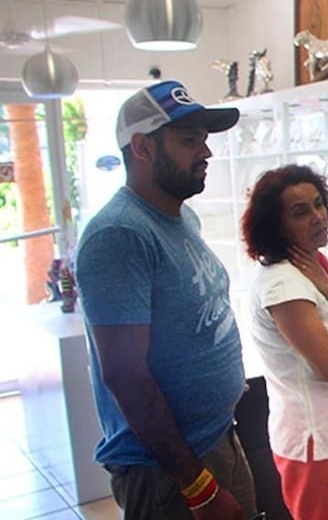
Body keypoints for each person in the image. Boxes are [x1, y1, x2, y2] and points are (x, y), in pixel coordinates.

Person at [75, 80, 256, 519]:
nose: (206, 152)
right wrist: (198, 486)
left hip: (216, 441)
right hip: (170, 473)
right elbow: (125, 375)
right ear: (142, 148)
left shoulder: (180, 217)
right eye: (189, 140)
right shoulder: (119, 234)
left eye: (205, 140)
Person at [241, 164, 328, 519]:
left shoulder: (318, 265)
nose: (318, 217)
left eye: (319, 205)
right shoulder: (282, 284)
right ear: (276, 225)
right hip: (314, 442)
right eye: (301, 212)